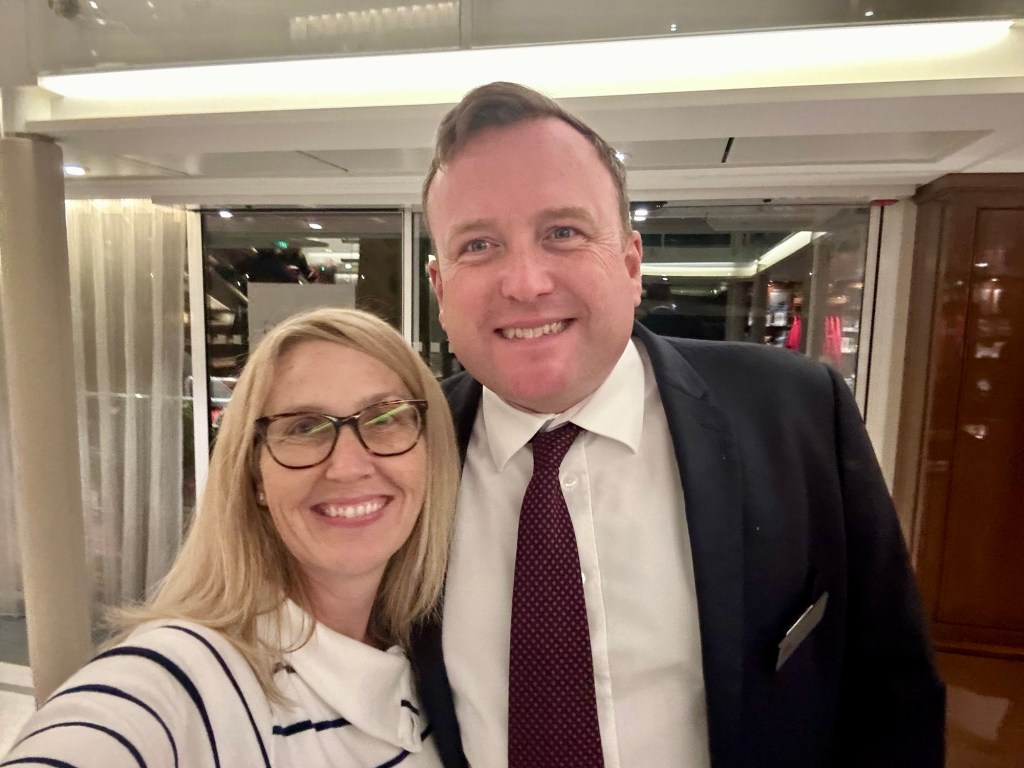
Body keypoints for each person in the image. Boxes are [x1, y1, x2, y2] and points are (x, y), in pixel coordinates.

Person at [413, 82, 945, 768]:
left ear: (631, 263)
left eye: (562, 233)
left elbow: (893, 699)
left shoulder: (796, 413)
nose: (525, 282)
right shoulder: (400, 455)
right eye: (479, 244)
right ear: (440, 288)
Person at [2, 307, 459, 768]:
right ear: (255, 476)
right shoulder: (189, 677)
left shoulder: (431, 657)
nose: (348, 467)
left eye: (385, 419)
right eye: (303, 427)